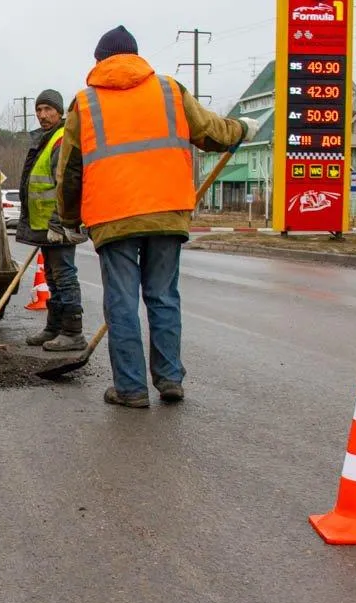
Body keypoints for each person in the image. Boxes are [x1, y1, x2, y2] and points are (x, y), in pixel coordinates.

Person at [55, 25, 258, 408]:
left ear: (99, 61)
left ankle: (131, 389)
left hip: (113, 216)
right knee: (163, 296)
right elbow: (212, 132)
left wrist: (67, 219)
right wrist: (242, 130)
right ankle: (169, 379)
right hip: (167, 210)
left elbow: (70, 170)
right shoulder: (169, 90)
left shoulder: (85, 103)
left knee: (121, 301)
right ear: (136, 56)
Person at [15, 90, 86, 352]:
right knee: (52, 278)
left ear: (59, 112)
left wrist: (58, 221)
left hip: (59, 224)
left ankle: (73, 332)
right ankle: (54, 327)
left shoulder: (61, 139)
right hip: (46, 225)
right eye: (39, 110)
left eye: (48, 109)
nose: (43, 115)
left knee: (64, 277)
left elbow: (66, 185)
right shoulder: (45, 139)